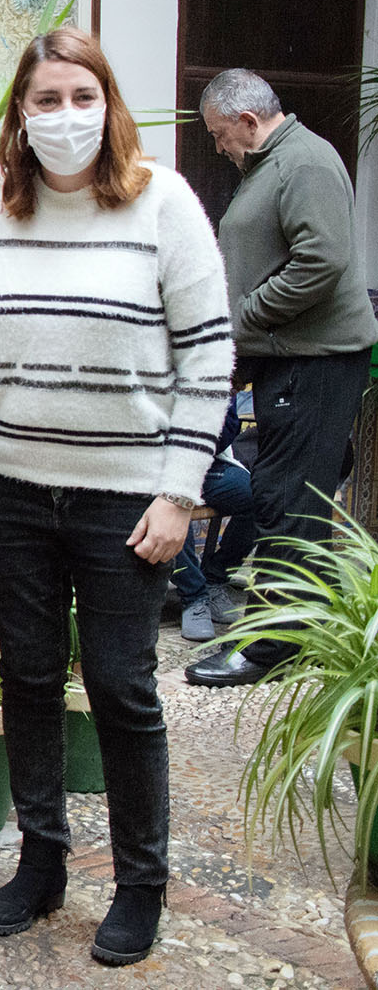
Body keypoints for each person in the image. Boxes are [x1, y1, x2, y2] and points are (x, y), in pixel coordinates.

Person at [0, 28, 233, 966]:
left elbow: (207, 354)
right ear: (20, 115)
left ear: (109, 103)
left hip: (127, 497)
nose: (64, 115)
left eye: (82, 96)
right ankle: (41, 863)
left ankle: (140, 883)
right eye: (45, 99)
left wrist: (179, 493)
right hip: (12, 487)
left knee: (121, 685)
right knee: (29, 678)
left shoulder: (164, 201)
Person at [185, 69, 378, 685]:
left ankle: (270, 649)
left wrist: (245, 315)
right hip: (291, 357)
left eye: (220, 134)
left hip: (313, 359)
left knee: (285, 499)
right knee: (291, 496)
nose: (219, 147)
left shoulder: (305, 163)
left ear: (247, 120)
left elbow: (321, 260)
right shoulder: (273, 162)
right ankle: (299, 637)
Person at [172, 397, 254, 643]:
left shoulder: (210, 367)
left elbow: (229, 422)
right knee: (174, 499)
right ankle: (194, 598)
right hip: (157, 465)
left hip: (206, 462)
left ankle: (215, 578)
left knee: (257, 495)